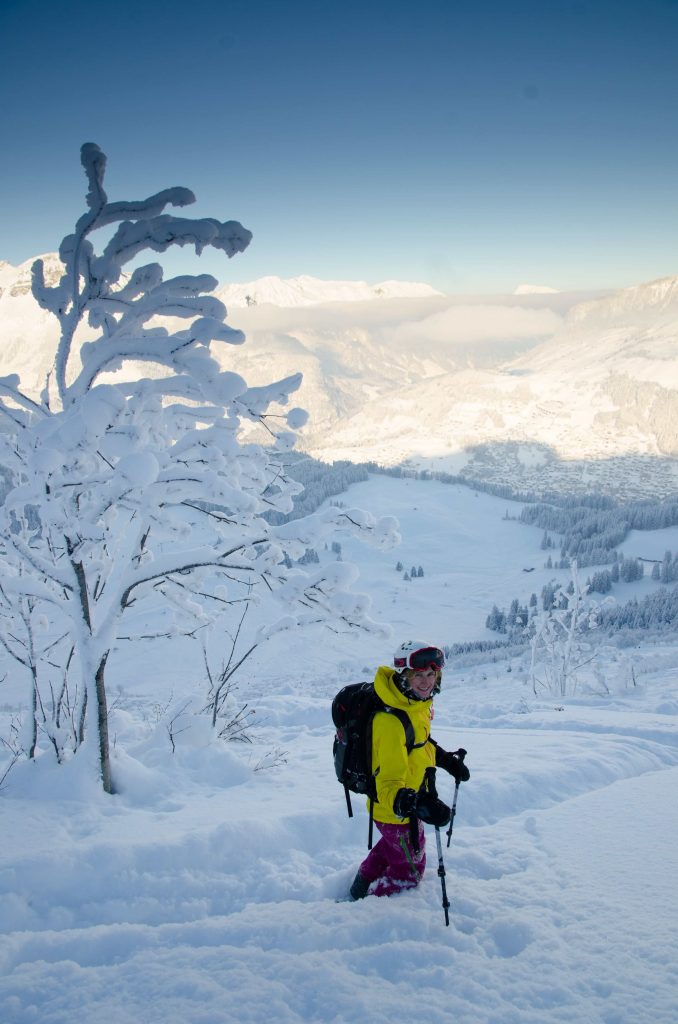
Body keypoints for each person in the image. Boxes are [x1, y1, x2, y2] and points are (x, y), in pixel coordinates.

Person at [347, 641, 470, 901]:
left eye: (431, 674)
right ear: (404, 676)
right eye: (418, 676)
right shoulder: (390, 721)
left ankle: (360, 884)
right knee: (410, 871)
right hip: (396, 812)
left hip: (404, 805)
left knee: (392, 848)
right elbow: (388, 784)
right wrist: (417, 803)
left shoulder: (414, 704)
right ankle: (368, 904)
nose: (425, 682)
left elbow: (418, 744)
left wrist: (446, 760)